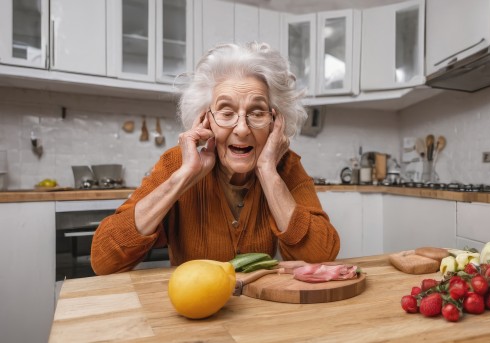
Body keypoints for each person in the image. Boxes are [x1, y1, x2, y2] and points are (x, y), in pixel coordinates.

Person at [91, 42, 340, 275]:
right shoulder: (177, 164)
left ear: (275, 123)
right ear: (205, 120)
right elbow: (104, 260)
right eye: (227, 112)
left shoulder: (285, 166)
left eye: (257, 112)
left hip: (259, 311)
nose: (242, 129)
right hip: (194, 310)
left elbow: (321, 257)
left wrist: (267, 172)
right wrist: (185, 177)